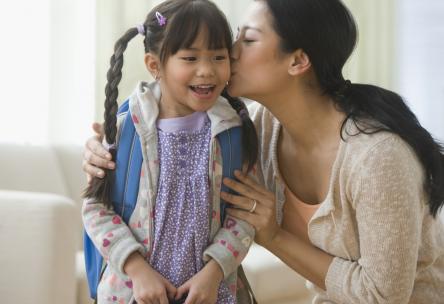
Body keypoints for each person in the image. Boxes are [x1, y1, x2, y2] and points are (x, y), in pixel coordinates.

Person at [83, 0, 444, 303]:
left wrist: (272, 236)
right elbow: (160, 126)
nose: (229, 52)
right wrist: (100, 152)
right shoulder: (254, 129)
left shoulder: (377, 158)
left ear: (297, 61)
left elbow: (383, 296)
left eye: (247, 40)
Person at [82, 1, 259, 303]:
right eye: (190, 58)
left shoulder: (234, 132)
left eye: (219, 57)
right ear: (155, 65)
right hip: (134, 292)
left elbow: (244, 215)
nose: (207, 70)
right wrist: (137, 269)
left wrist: (214, 272)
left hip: (210, 294)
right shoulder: (126, 131)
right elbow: (96, 209)